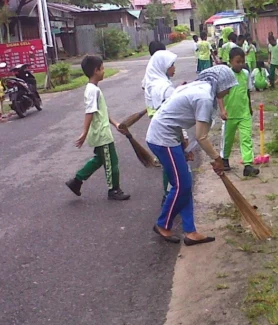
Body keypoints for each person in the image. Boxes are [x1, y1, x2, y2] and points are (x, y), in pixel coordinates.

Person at [146, 66, 238, 245]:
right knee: (182, 185)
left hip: (170, 136)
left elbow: (173, 116)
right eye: (228, 87)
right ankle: (163, 224)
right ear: (221, 84)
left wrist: (182, 146)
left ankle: (190, 231)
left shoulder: (199, 88)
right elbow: (201, 137)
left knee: (185, 184)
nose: (228, 91)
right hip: (162, 139)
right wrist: (217, 159)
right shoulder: (203, 97)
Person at [66, 55, 130, 201]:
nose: (104, 71)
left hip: (102, 132)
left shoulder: (93, 89)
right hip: (102, 134)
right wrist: (84, 133)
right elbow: (89, 112)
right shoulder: (92, 90)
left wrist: (116, 124)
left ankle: (76, 181)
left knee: (100, 159)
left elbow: (102, 112)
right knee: (112, 162)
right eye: (102, 68)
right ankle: (114, 190)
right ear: (96, 70)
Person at [142, 50, 192, 204]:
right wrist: (183, 137)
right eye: (171, 65)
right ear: (163, 66)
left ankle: (169, 195)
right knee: (175, 167)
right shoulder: (164, 86)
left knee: (168, 165)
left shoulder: (155, 82)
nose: (174, 68)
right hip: (168, 132)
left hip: (159, 132)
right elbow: (174, 113)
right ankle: (170, 198)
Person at [221, 48, 259, 177]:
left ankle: (248, 164)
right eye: (237, 61)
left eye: (242, 61)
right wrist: (222, 110)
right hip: (229, 113)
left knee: (246, 138)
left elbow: (247, 91)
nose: (240, 64)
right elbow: (219, 94)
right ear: (231, 61)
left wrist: (249, 107)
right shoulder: (225, 75)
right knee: (228, 139)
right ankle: (224, 159)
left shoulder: (245, 74)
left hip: (244, 113)